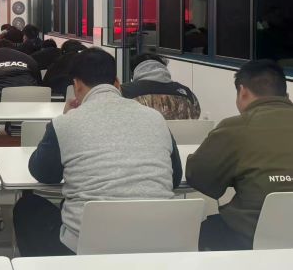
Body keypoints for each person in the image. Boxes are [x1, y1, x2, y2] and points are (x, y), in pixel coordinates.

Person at [13, 48, 182, 257]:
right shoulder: (155, 118)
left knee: (27, 208)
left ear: (76, 85)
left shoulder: (66, 123)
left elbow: (42, 172)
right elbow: (175, 177)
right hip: (160, 243)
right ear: (117, 83)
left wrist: (62, 120)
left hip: (89, 246)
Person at [187, 60, 293, 251]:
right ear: (285, 95)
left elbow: (200, 178)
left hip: (248, 238)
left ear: (242, 91)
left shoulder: (235, 127)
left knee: (197, 231)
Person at [121, 54, 201, 120]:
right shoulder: (187, 93)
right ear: (163, 67)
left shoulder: (124, 91)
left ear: (135, 71)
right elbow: (196, 116)